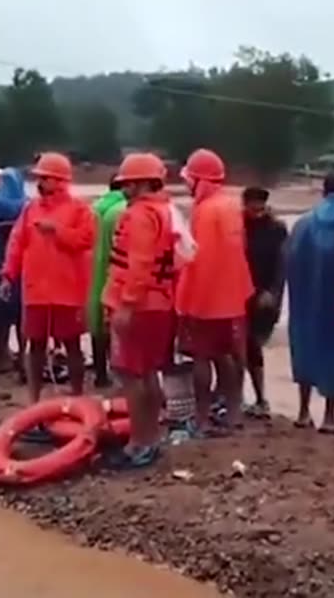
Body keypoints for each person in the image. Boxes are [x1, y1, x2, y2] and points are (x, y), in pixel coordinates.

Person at [103, 152, 177, 469]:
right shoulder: (168, 212)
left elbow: (140, 264)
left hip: (138, 305)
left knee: (130, 374)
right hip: (160, 303)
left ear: (147, 182)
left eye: (131, 183)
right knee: (147, 373)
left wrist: (127, 305)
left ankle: (138, 443)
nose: (126, 189)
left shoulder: (139, 216)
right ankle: (152, 439)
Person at [1, 152, 95, 402]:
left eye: (45, 178)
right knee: (36, 346)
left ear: (59, 180)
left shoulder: (80, 209)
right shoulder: (31, 209)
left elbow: (85, 240)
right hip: (36, 292)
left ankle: (77, 396)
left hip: (69, 291)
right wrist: (8, 275)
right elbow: (16, 243)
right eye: (39, 178)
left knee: (73, 345)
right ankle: (34, 398)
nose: (40, 183)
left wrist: (58, 231)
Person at [175, 148, 255, 435]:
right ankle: (234, 413)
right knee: (226, 356)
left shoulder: (204, 211)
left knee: (201, 357)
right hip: (232, 297)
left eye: (189, 179)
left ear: (199, 180)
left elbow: (196, 258)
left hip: (205, 298)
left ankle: (202, 417)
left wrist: (185, 300)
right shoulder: (232, 205)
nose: (186, 185)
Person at [286, 170, 334, 433]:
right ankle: (330, 417)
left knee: (305, 344)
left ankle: (303, 412)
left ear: (324, 190)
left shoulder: (303, 223)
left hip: (305, 299)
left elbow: (289, 262)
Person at [242, 186, 288, 418]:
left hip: (266, 296)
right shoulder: (238, 227)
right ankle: (240, 398)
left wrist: (273, 293)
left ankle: (260, 399)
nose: (256, 209)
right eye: (251, 204)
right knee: (240, 348)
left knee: (253, 346)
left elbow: (282, 265)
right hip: (240, 294)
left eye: (260, 204)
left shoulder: (277, 229)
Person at [0, 167, 27, 373]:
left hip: (1, 262)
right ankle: (22, 355)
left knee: (1, 316)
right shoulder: (27, 204)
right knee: (22, 316)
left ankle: (3, 354)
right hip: (24, 266)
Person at [89, 178, 128, 388]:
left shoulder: (96, 207)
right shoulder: (124, 210)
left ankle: (100, 375)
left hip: (94, 269)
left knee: (97, 325)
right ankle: (121, 376)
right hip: (119, 272)